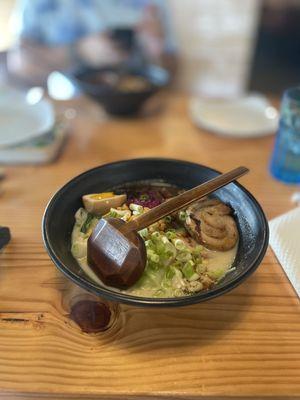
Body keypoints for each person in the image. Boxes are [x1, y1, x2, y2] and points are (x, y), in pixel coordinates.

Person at [8, 0, 177, 85]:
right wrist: (78, 51)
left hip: (138, 105)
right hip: (72, 109)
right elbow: (20, 68)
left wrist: (156, 50)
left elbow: (171, 69)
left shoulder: (149, 4)